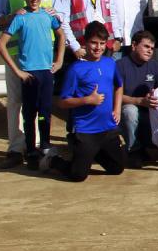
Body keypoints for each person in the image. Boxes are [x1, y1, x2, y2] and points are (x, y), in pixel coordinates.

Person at [0, 0, 57, 169]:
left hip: (43, 56)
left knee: (40, 104)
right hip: (17, 54)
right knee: (17, 102)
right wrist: (10, 17)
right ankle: (16, 149)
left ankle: (37, 147)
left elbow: (58, 18)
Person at [51, 21, 126, 182]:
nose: (98, 47)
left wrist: (117, 109)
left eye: (102, 43)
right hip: (86, 129)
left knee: (117, 168)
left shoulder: (110, 63)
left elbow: (119, 86)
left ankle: (93, 151)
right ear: (85, 43)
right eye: (93, 43)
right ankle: (53, 160)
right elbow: (62, 102)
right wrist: (87, 100)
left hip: (107, 127)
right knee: (78, 176)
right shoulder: (75, 69)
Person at [115, 30, 158, 167]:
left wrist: (156, 96)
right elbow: (113, 95)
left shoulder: (155, 66)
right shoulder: (120, 65)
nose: (150, 51)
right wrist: (139, 101)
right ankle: (133, 151)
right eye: (146, 46)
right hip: (124, 116)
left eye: (152, 48)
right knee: (130, 111)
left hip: (149, 113)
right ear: (134, 45)